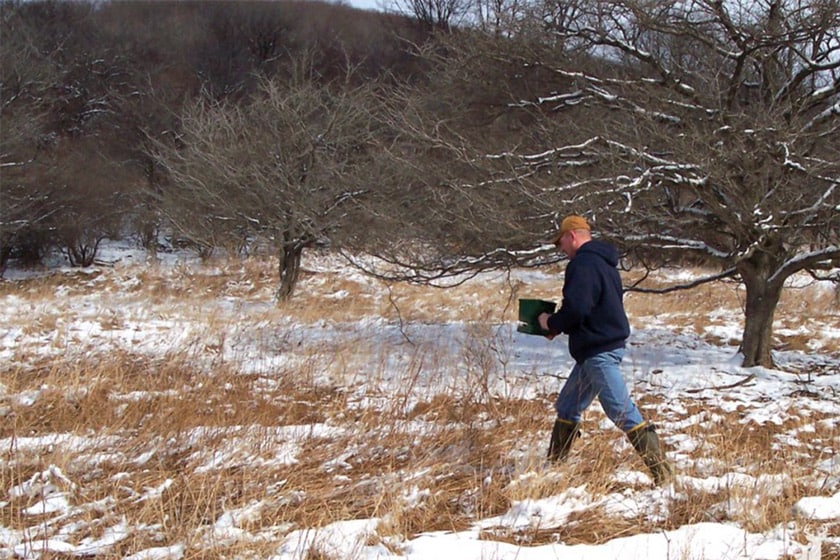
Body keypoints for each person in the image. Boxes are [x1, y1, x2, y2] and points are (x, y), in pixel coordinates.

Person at [537, 215, 674, 485]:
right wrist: (560, 326)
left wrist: (549, 322)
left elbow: (577, 308)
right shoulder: (603, 263)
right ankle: (554, 468)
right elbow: (592, 307)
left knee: (621, 412)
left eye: (561, 242)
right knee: (567, 406)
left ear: (572, 236)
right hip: (594, 351)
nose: (561, 249)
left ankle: (664, 476)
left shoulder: (583, 264)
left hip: (598, 353)